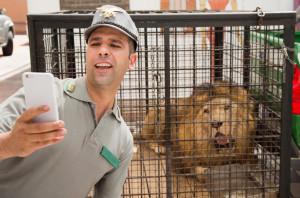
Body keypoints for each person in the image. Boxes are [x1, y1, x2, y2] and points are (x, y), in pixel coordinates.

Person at [0, 4, 138, 198]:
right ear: (87, 52)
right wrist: (9, 144)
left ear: (132, 60)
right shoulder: (47, 98)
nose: (103, 50)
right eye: (95, 43)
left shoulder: (122, 141)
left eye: (115, 45)